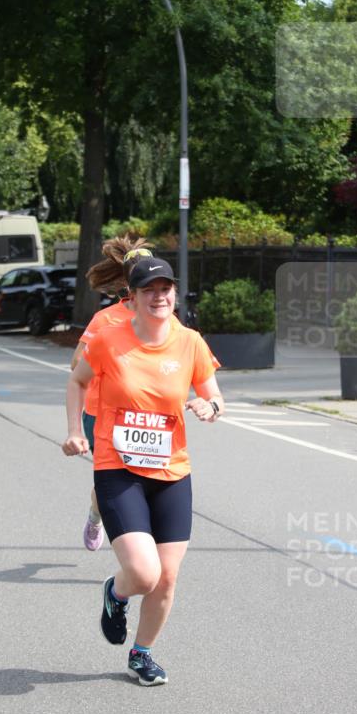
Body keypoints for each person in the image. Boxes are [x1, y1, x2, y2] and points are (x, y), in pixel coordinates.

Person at [63, 258, 224, 686]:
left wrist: (210, 407)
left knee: (167, 578)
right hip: (119, 468)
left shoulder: (190, 342)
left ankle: (142, 653)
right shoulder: (107, 339)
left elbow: (215, 395)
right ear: (131, 297)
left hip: (171, 471)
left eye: (166, 288)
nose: (160, 296)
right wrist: (74, 431)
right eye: (149, 290)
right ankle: (116, 595)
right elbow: (77, 381)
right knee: (144, 573)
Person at [70, 236, 154, 550]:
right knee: (114, 479)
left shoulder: (162, 316)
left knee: (145, 479)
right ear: (128, 282)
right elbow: (77, 362)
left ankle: (138, 542)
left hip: (148, 415)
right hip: (102, 413)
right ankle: (97, 516)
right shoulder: (106, 319)